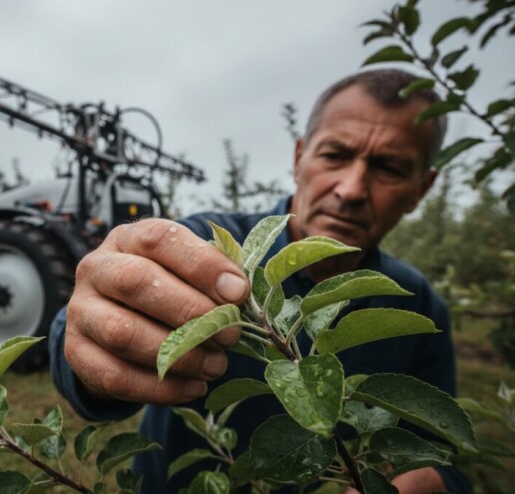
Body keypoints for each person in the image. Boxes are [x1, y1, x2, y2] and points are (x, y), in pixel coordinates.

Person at [49, 68, 470, 493]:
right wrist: (92, 340)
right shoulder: (208, 249)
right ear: (298, 157)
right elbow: (79, 335)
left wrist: (413, 484)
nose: (351, 188)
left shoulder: (416, 305)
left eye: (389, 168)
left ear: (422, 189)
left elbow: (444, 455)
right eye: (335, 155)